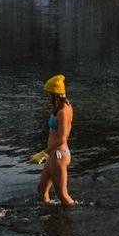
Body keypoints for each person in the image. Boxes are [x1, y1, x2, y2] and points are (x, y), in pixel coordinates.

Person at [37, 74, 77, 206]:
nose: (47, 97)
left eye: (49, 94)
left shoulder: (63, 112)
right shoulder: (60, 108)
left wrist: (44, 153)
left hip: (59, 155)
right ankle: (50, 215)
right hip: (53, 155)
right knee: (42, 189)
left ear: (56, 94)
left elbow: (62, 139)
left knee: (62, 195)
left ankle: (73, 216)